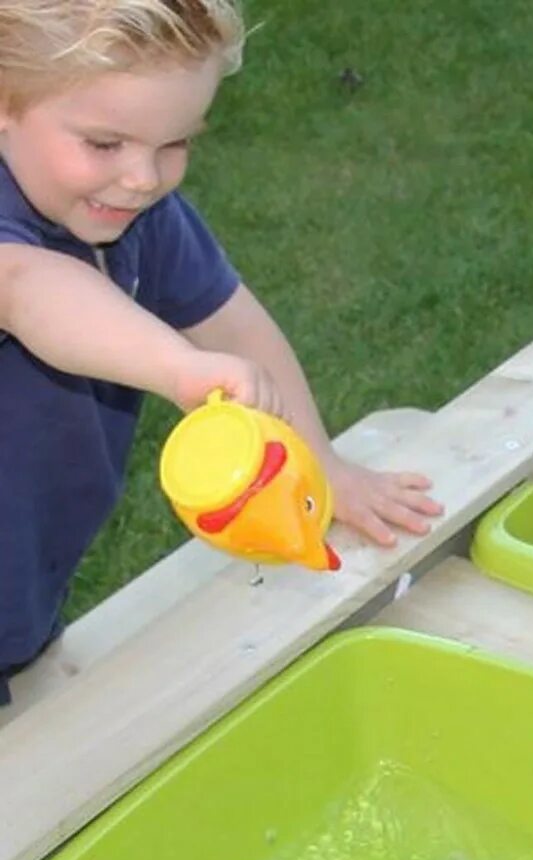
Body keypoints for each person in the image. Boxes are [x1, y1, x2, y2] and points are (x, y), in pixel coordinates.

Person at [0, 0, 442, 704]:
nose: (145, 177)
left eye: (174, 144)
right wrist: (178, 367)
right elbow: (28, 289)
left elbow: (235, 328)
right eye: (106, 144)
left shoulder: (133, 210)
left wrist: (320, 468)